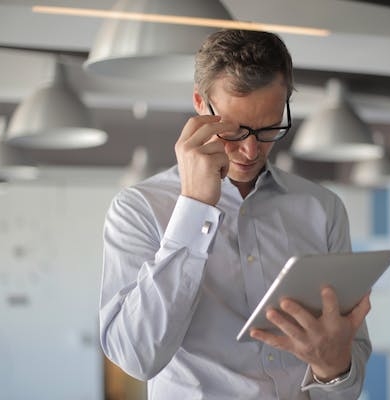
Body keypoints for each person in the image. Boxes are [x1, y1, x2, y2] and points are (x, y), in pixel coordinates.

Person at [100, 29, 372, 399]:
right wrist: (194, 209)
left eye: (268, 128)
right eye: (234, 129)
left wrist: (331, 369)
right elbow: (137, 357)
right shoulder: (138, 210)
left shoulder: (322, 209)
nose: (249, 149)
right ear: (200, 102)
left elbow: (348, 378)